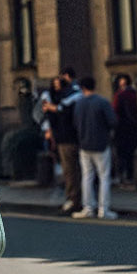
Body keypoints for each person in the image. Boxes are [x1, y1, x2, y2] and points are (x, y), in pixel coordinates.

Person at [72, 76, 118, 220]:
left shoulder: (78, 104)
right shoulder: (102, 102)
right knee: (104, 177)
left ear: (82, 88)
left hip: (84, 144)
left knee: (87, 176)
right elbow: (113, 121)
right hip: (101, 144)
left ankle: (88, 208)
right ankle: (103, 209)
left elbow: (75, 123)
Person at [43, 67, 83, 213]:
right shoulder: (62, 97)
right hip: (64, 137)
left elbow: (63, 110)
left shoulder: (71, 97)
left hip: (68, 138)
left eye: (59, 82)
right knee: (71, 170)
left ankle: (74, 199)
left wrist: (53, 109)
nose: (57, 86)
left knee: (70, 171)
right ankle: (74, 198)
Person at [112, 73, 137, 184]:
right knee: (130, 152)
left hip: (121, 127)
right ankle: (130, 175)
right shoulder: (134, 93)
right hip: (132, 126)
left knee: (122, 153)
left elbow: (114, 110)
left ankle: (123, 176)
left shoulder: (120, 95)